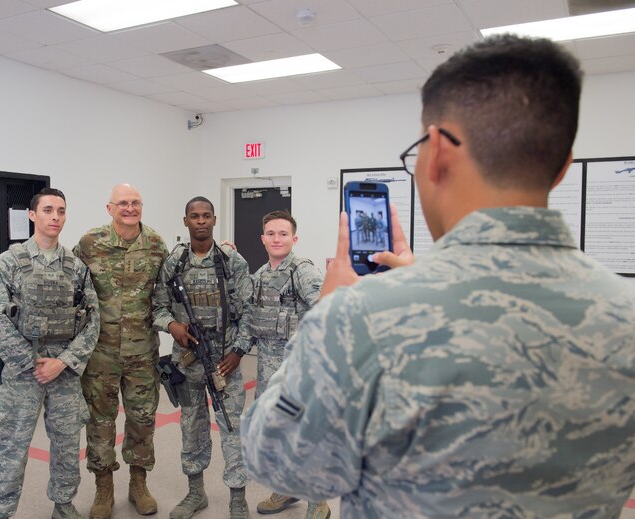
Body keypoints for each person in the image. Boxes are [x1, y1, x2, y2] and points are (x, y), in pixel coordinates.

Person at [240, 35, 635, 518]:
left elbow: (280, 463)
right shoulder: (625, 314)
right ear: (561, 169)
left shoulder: (362, 318)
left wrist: (325, 322)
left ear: (439, 152)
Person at [0, 187, 100, 519]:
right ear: (32, 215)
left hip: (63, 372)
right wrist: (31, 362)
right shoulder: (9, 262)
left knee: (67, 445)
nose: (55, 217)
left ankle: (63, 506)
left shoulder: (76, 267)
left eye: (61, 211)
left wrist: (62, 362)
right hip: (23, 373)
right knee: (10, 446)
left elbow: (92, 322)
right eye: (48, 210)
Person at [152, 196, 253, 519]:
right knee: (191, 429)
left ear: (214, 220)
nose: (200, 221)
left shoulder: (232, 262)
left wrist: (238, 351)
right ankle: (196, 493)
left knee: (233, 429)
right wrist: (172, 326)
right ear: (186, 221)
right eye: (194, 216)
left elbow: (249, 313)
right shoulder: (175, 262)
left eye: (206, 216)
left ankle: (238, 498)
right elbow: (157, 307)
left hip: (224, 363)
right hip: (188, 362)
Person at [73, 184, 168, 518]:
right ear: (110, 208)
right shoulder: (90, 243)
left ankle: (138, 484)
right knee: (100, 421)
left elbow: (166, 290)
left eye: (136, 203)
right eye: (123, 203)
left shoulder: (156, 244)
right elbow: (71, 286)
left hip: (143, 352)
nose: (130, 208)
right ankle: (104, 488)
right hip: (101, 353)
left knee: (142, 419)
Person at [249, 210, 328, 519]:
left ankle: (318, 501)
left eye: (283, 234)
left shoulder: (303, 271)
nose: (276, 239)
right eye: (271, 233)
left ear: (294, 239)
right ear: (263, 239)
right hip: (268, 370)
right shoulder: (260, 275)